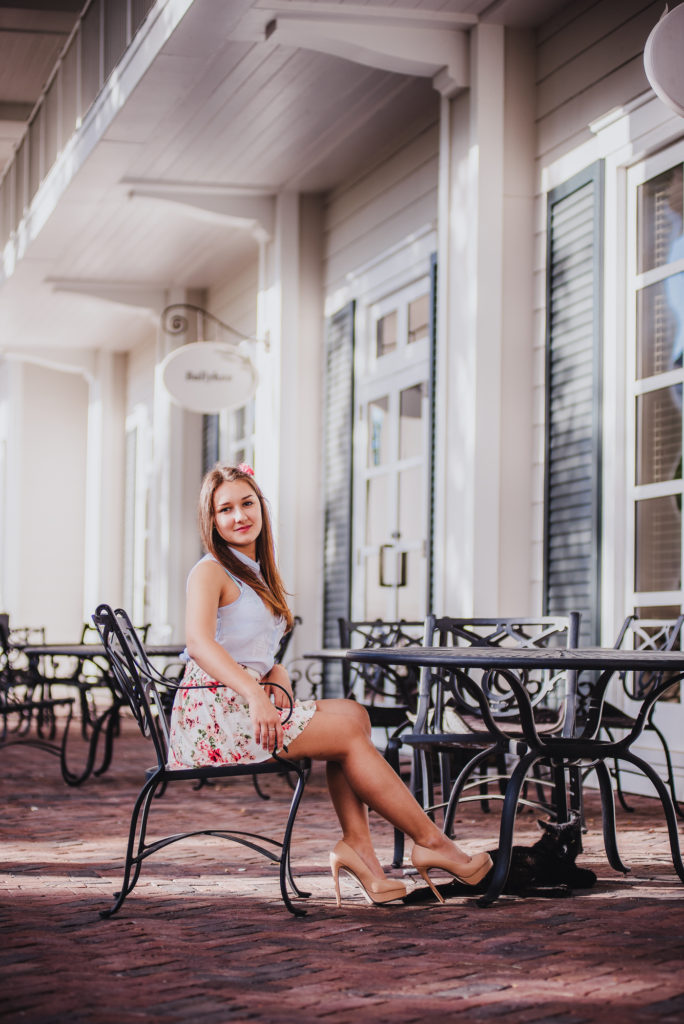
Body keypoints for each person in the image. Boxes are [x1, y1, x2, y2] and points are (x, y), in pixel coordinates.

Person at [168, 462, 492, 906]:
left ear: (260, 507)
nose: (239, 516)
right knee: (345, 733)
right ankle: (431, 843)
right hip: (214, 716)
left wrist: (275, 680)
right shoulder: (210, 571)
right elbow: (199, 643)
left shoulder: (256, 570)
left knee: (354, 715)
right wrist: (255, 697)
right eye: (226, 509)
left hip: (244, 701)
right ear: (212, 520)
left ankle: (359, 849)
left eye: (247, 503)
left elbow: (261, 653)